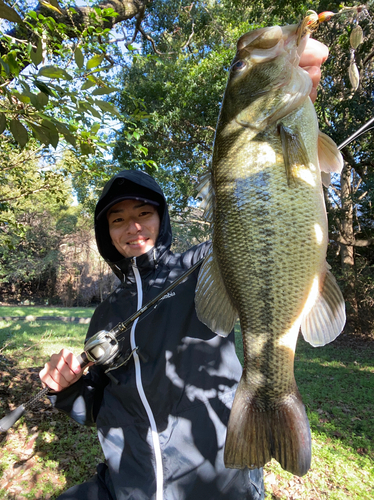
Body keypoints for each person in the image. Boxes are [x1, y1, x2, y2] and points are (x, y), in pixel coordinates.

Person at [40, 39, 329, 500]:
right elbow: (96, 408)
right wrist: (65, 387)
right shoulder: (106, 313)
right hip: (129, 486)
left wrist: (303, 91)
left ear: (162, 219)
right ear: (105, 232)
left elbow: (258, 230)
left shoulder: (199, 265)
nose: (132, 228)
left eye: (143, 214)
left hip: (217, 486)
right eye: (117, 220)